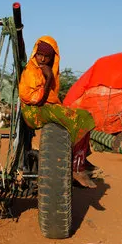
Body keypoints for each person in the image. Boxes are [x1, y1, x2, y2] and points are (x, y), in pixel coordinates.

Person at [18, 36, 97, 188]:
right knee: (74, 119)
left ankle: (80, 159)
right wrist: (48, 79)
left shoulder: (47, 69)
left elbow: (49, 97)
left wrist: (49, 76)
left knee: (85, 116)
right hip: (33, 112)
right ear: (35, 53)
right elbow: (34, 100)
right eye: (39, 54)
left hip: (45, 107)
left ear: (52, 57)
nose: (42, 59)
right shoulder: (31, 71)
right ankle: (76, 167)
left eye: (46, 56)